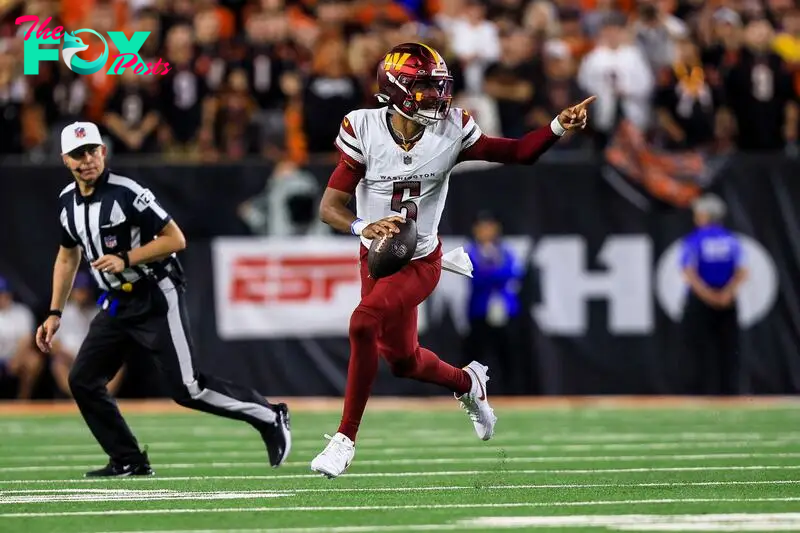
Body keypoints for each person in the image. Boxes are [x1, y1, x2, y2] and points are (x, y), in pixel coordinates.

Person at [311, 42, 594, 478]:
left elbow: (517, 152)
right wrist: (360, 226)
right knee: (402, 361)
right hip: (378, 258)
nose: (436, 98)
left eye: (438, 88)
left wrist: (557, 125)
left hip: (422, 258)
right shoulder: (362, 127)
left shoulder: (452, 129)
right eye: (423, 88)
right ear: (396, 88)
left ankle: (345, 438)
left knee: (362, 322)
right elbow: (330, 205)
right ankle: (468, 383)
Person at [36, 121, 291, 477]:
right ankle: (128, 459)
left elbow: (175, 239)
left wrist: (127, 258)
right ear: (65, 159)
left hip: (155, 292)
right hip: (115, 301)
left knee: (188, 389)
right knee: (83, 379)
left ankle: (269, 415)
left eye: (92, 151)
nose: (87, 160)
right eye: (78, 154)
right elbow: (67, 256)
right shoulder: (68, 203)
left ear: (103, 152)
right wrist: (54, 312)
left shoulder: (126, 192)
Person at [681, 194, 747, 395]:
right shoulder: (731, 240)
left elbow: (688, 272)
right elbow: (742, 271)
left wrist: (708, 296)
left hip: (700, 301)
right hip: (727, 301)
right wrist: (726, 294)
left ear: (703, 216)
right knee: (728, 351)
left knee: (698, 351)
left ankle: (699, 393)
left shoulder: (694, 240)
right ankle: (729, 393)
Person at [463, 212, 524, 393]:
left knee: (509, 355)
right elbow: (476, 277)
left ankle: (513, 393)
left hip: (506, 311)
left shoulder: (505, 251)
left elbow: (515, 273)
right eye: (482, 227)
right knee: (477, 355)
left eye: (490, 226)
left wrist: (490, 273)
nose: (486, 231)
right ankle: (472, 393)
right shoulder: (471, 251)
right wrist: (497, 274)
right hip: (480, 311)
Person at [0, 276, 41, 399]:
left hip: (15, 357)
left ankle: (23, 400)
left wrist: (17, 359)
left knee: (34, 361)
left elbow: (26, 340)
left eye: (3, 294)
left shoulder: (21, 312)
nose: (1, 298)